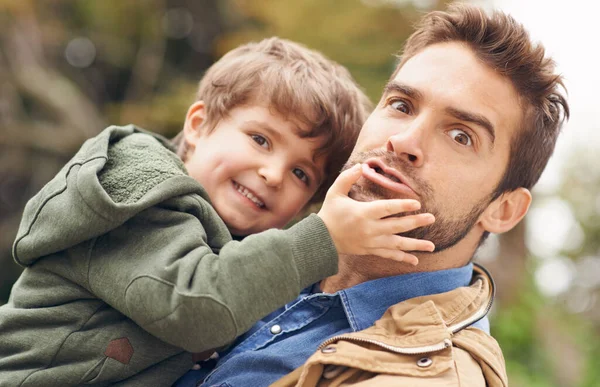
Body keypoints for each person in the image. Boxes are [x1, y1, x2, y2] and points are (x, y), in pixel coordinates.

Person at [0, 38, 437, 386]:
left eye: (301, 174)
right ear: (197, 124)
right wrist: (324, 238)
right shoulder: (144, 197)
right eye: (261, 140)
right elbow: (194, 308)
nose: (272, 173)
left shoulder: (236, 248)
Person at [174, 4, 569, 387]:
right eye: (401, 104)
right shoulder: (244, 233)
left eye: (461, 135)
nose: (404, 141)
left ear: (503, 210)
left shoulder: (426, 377)